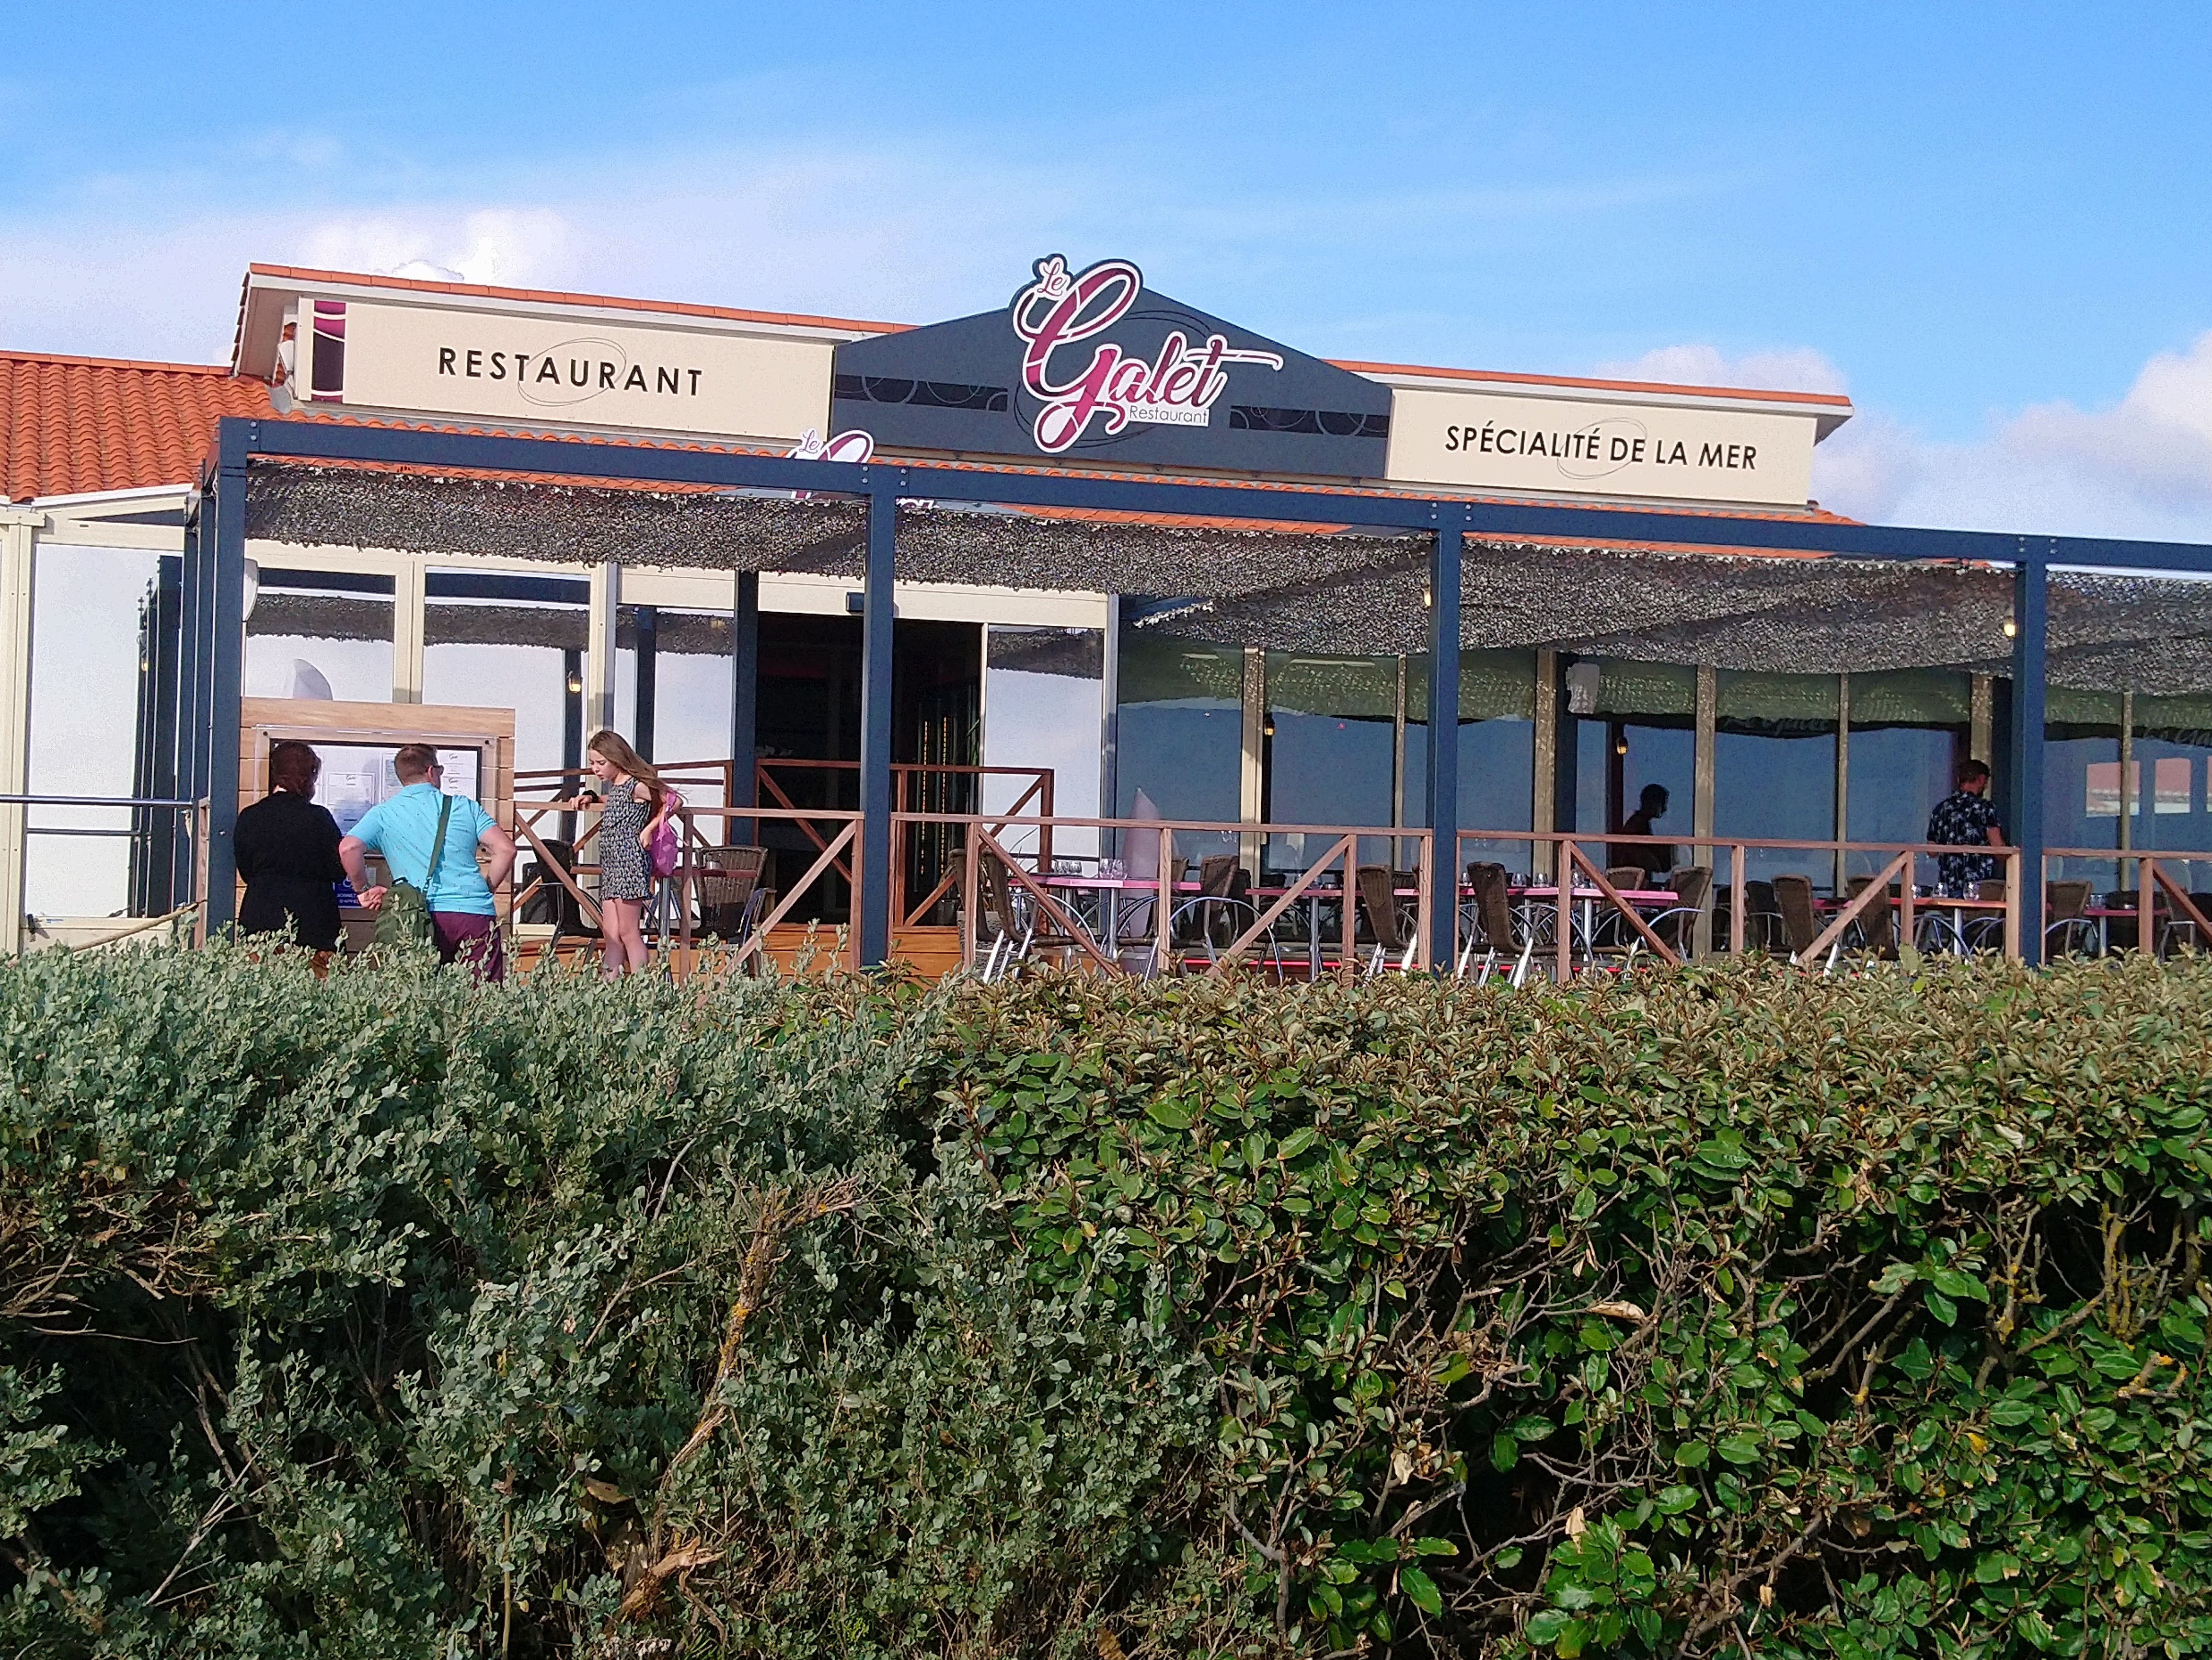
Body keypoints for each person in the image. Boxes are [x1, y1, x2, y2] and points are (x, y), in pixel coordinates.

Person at [339, 744, 516, 980]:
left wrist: (362, 889)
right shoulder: (465, 807)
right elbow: (506, 850)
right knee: (483, 994)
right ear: (432, 771)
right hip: (473, 914)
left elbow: (349, 848)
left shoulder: (383, 813)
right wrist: (486, 889)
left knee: (417, 992)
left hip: (416, 916)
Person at [560, 730, 672, 979]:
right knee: (611, 932)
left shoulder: (637, 784)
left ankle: (643, 986)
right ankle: (609, 987)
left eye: (601, 763)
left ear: (617, 759)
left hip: (630, 861)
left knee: (628, 931)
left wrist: (650, 829)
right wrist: (590, 797)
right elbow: (612, 800)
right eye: (593, 763)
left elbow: (673, 800)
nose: (596, 769)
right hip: (612, 864)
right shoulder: (618, 787)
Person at [235, 739, 345, 953]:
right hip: (314, 920)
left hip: (260, 915)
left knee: (261, 973)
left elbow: (247, 872)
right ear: (308, 777)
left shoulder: (249, 817)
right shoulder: (319, 818)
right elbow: (337, 871)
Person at [1926, 758, 2006, 899]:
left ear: (1959, 779)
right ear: (1981, 780)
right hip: (1978, 888)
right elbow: (1997, 847)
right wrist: (2013, 855)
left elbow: (1932, 851)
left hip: (1948, 885)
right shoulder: (1985, 808)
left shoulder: (1942, 809)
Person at [1614, 783, 1675, 880]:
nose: (1665, 809)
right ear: (1652, 803)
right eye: (1662, 803)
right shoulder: (1637, 825)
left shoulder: (1641, 823)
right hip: (1632, 881)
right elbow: (1644, 857)